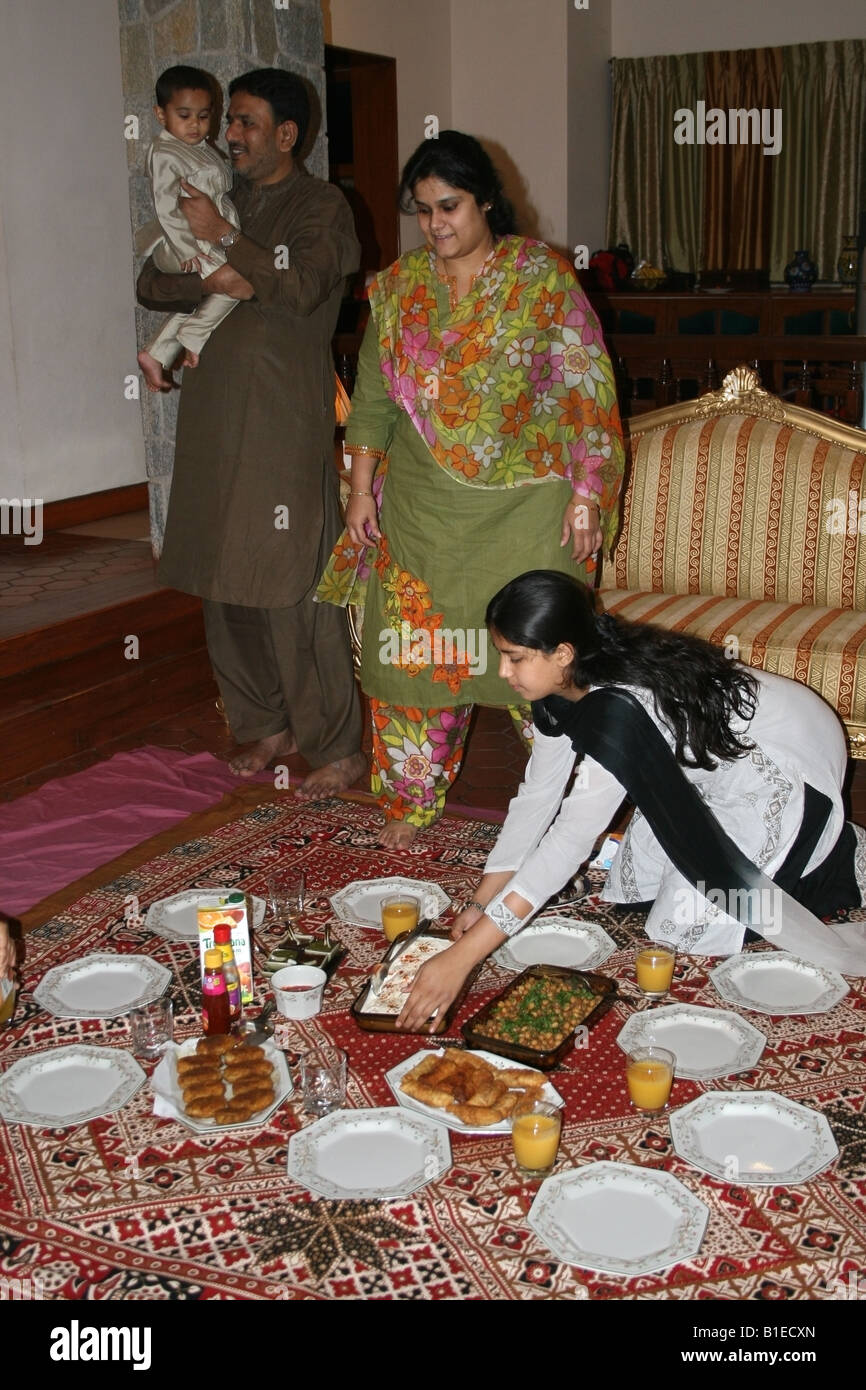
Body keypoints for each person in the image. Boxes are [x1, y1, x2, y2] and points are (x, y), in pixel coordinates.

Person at [317, 131, 624, 848]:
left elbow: (586, 384)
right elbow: (371, 398)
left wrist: (587, 492)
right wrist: (362, 490)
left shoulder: (541, 277)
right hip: (424, 512)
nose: (436, 225)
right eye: (422, 211)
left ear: (486, 199)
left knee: (541, 654)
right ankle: (413, 801)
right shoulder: (396, 290)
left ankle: (585, 808)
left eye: (449, 205)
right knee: (415, 659)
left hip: (525, 508)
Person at [398, 570, 866, 1030]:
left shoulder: (620, 709)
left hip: (781, 770)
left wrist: (463, 957)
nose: (503, 672)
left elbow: (571, 836)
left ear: (562, 653)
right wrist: (483, 901)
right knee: (633, 889)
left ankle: (834, 858)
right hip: (710, 773)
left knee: (682, 926)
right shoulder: (562, 681)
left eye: (514, 658)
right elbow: (537, 797)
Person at [137, 68, 366, 798]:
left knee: (289, 580)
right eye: (225, 121)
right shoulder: (216, 193)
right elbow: (152, 279)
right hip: (211, 415)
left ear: (288, 134)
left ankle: (337, 743)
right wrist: (219, 267)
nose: (227, 134)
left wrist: (227, 242)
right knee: (220, 578)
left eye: (245, 122)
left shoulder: (322, 206)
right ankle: (266, 722)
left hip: (279, 419)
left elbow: (299, 287)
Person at [136, 65, 241, 393]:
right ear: (161, 114)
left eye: (203, 116)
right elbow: (166, 207)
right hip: (184, 244)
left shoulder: (200, 148)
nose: (195, 125)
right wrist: (186, 250)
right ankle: (192, 338)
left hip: (208, 240)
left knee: (222, 289)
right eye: (184, 115)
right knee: (238, 282)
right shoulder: (165, 152)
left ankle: (159, 353)